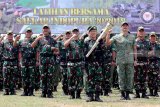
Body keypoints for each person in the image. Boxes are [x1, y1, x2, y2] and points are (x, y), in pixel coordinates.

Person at [106, 22, 136, 100]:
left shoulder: (132, 37)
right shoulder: (116, 37)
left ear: (128, 27)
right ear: (121, 28)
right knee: (121, 77)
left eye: (126, 26)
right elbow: (108, 43)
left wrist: (135, 59)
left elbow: (134, 48)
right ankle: (123, 94)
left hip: (130, 60)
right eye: (123, 26)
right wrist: (108, 34)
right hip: (120, 60)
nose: (125, 27)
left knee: (129, 77)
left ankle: (128, 94)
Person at [31, 25, 59, 98]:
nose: (45, 30)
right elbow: (32, 46)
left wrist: (51, 48)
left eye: (47, 29)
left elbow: (57, 50)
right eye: (44, 29)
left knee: (50, 76)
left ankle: (49, 92)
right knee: (43, 76)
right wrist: (37, 39)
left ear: (49, 30)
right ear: (42, 30)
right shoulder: (39, 39)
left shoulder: (52, 40)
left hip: (50, 59)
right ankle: (43, 92)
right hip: (42, 59)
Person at [14, 28, 37, 96]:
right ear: (25, 33)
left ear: (32, 33)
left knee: (31, 77)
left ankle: (31, 92)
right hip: (24, 60)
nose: (28, 33)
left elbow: (37, 52)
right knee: (24, 76)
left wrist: (37, 60)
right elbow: (15, 46)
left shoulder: (34, 41)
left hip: (32, 60)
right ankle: (25, 91)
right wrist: (15, 39)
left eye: (30, 32)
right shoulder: (21, 41)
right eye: (27, 32)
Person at [84, 26, 104, 102]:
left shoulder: (100, 41)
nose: (93, 33)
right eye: (91, 31)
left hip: (98, 63)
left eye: (94, 31)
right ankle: (90, 96)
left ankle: (97, 96)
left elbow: (103, 51)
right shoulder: (86, 42)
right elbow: (84, 53)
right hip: (89, 63)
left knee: (98, 80)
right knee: (90, 80)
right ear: (88, 33)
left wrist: (100, 43)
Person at [64, 28, 84, 99]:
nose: (75, 33)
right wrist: (71, 38)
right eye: (74, 32)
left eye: (76, 32)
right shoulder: (69, 41)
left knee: (79, 79)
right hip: (71, 63)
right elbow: (65, 45)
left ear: (78, 33)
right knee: (70, 78)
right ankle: (72, 94)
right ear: (72, 33)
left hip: (79, 62)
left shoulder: (81, 41)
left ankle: (78, 94)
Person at [134, 26, 149, 99]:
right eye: (140, 31)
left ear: (144, 33)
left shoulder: (147, 42)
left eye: (142, 31)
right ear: (137, 33)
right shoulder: (135, 41)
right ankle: (137, 93)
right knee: (136, 77)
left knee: (144, 78)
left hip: (145, 62)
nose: (141, 33)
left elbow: (152, 51)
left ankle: (144, 93)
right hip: (137, 62)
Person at [2, 31, 19, 95]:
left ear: (12, 36)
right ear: (7, 35)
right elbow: (10, 48)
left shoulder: (16, 43)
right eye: (9, 35)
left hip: (14, 61)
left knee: (13, 77)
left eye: (11, 35)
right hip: (6, 61)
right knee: (6, 77)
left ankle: (13, 90)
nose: (10, 36)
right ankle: (6, 90)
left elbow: (16, 51)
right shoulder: (4, 42)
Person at [148, 32, 160, 97]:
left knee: (156, 78)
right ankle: (150, 92)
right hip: (149, 63)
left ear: (155, 37)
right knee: (149, 78)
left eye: (154, 37)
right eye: (151, 37)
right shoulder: (147, 45)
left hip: (156, 63)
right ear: (149, 37)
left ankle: (155, 92)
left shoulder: (158, 45)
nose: (153, 38)